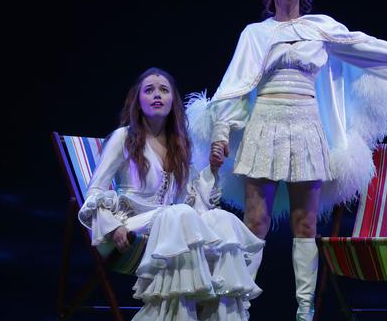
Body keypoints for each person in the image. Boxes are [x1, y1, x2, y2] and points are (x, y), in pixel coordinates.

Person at [186, 0, 387, 320]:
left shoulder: (321, 27)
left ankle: (305, 309)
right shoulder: (255, 33)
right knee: (256, 222)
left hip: (306, 124)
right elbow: (233, 87)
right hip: (265, 122)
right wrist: (220, 134)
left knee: (305, 223)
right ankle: (238, 305)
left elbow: (365, 46)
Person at [77, 67, 264, 321]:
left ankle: (219, 313)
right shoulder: (124, 138)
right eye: (149, 90)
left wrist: (212, 170)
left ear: (172, 100)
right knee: (180, 215)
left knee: (222, 220)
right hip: (128, 231)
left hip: (172, 231)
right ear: (138, 99)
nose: (157, 95)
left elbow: (196, 204)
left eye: (164, 90)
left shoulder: (181, 145)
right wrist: (110, 226)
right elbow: (96, 190)